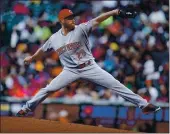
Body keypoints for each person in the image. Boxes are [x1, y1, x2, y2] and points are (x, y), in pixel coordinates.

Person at [16, 8, 160, 116]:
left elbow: (98, 19)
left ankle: (144, 105)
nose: (73, 20)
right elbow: (42, 49)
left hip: (90, 67)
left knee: (116, 85)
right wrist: (32, 58)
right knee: (48, 89)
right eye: (69, 18)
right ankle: (26, 108)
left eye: (73, 17)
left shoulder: (81, 29)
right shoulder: (54, 38)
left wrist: (116, 11)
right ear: (62, 21)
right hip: (70, 71)